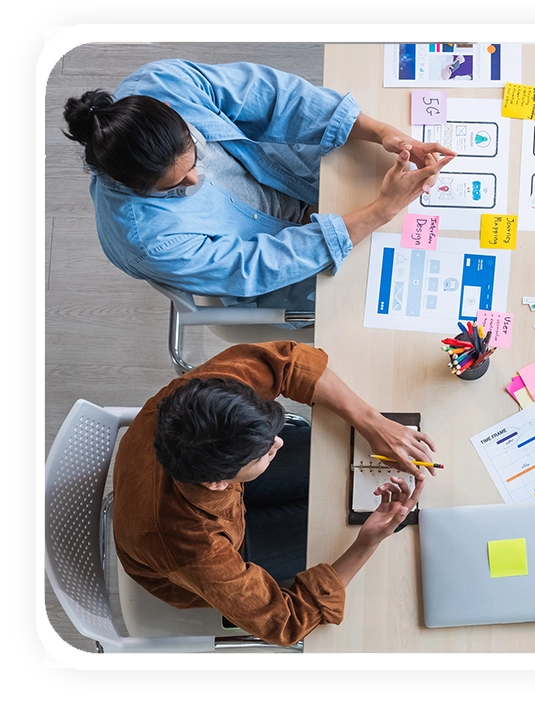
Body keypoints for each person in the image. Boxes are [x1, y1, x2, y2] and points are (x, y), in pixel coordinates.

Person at [62, 60, 456, 314]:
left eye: (193, 159)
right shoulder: (145, 240)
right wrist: (381, 211)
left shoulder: (163, 85)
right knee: (386, 296)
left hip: (290, 174)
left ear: (170, 110)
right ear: (133, 186)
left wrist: (383, 132)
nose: (195, 179)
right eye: (175, 185)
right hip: (286, 259)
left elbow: (273, 97)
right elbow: (258, 266)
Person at [112, 340, 436, 647]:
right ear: (219, 483)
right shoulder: (195, 550)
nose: (278, 442)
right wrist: (368, 542)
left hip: (205, 483)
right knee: (345, 530)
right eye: (263, 451)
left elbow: (289, 361)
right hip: (217, 550)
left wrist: (371, 422)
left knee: (338, 464)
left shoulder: (203, 396)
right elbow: (287, 621)